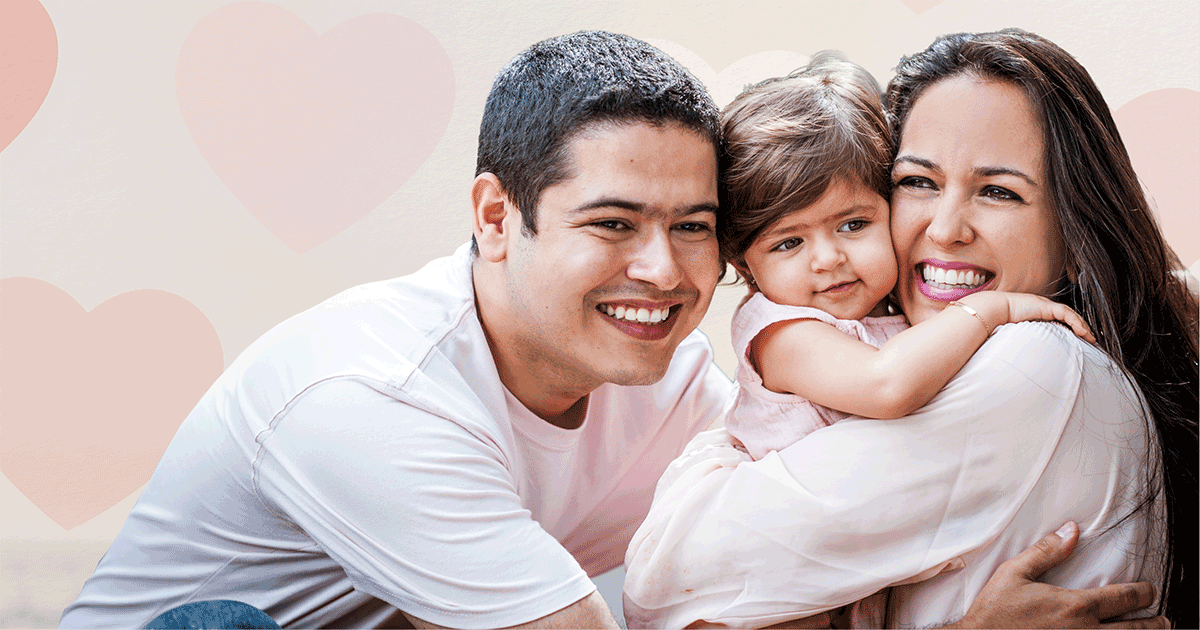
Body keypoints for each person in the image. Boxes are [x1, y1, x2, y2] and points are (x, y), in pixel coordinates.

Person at [60, 30, 1166, 630]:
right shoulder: (373, 397)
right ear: (496, 217)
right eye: (612, 224)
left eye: (693, 227)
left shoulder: (675, 380)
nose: (663, 270)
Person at [624, 29, 1197, 629]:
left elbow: (669, 574)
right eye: (918, 182)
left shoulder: (1039, 360)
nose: (946, 229)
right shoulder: (853, 337)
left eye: (999, 192)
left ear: (1078, 235)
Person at [717, 52, 1093, 461]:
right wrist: (991, 308)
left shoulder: (894, 315)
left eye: (853, 225)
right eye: (788, 243)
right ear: (744, 266)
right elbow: (887, 385)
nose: (828, 258)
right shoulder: (782, 334)